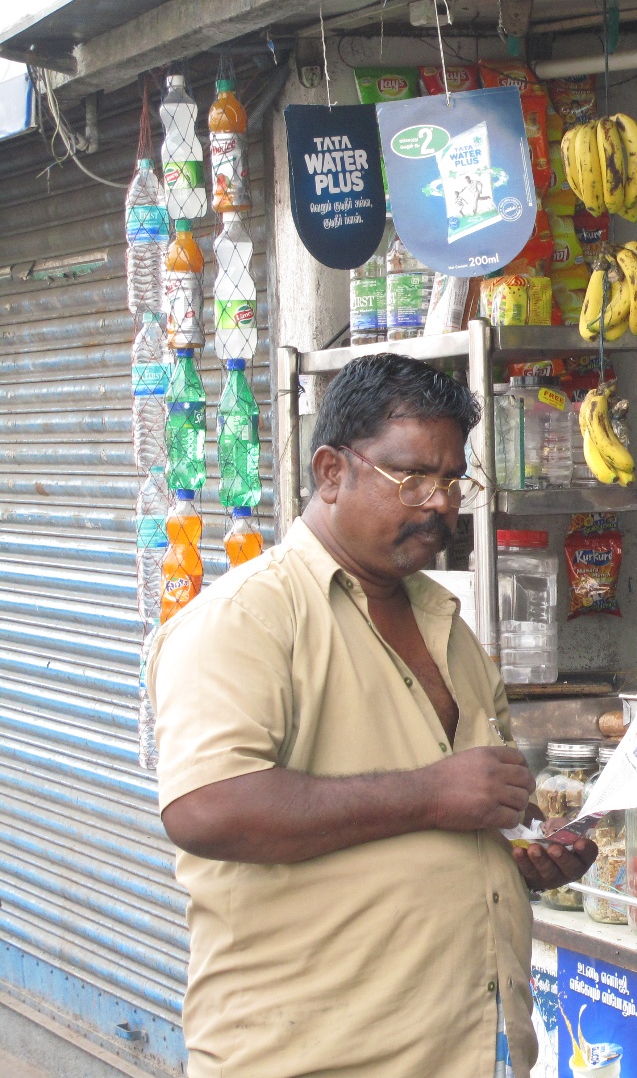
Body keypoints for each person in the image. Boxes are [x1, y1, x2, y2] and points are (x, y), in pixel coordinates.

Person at [147, 354, 596, 1078]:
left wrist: (516, 861)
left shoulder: (447, 623)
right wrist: (432, 793)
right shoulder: (245, 619)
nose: (440, 503)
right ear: (331, 471)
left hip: (470, 1051)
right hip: (313, 1059)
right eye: (411, 476)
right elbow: (206, 809)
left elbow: (462, 816)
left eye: (452, 480)